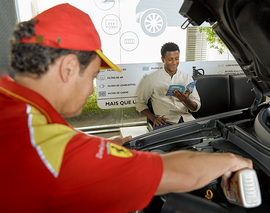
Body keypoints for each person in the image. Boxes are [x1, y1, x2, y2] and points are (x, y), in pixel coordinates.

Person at [0, 4, 253, 213]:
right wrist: (230, 160)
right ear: (68, 68)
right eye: (93, 76)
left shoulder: (13, 105)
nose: (91, 89)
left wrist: (99, 150)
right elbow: (173, 172)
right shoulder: (54, 151)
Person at [135, 42, 201, 130]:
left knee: (195, 140)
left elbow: (196, 107)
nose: (174, 62)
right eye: (170, 59)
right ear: (163, 59)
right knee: (168, 142)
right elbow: (140, 103)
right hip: (164, 122)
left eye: (177, 58)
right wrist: (154, 118)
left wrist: (186, 100)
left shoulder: (187, 77)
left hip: (186, 120)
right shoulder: (151, 79)